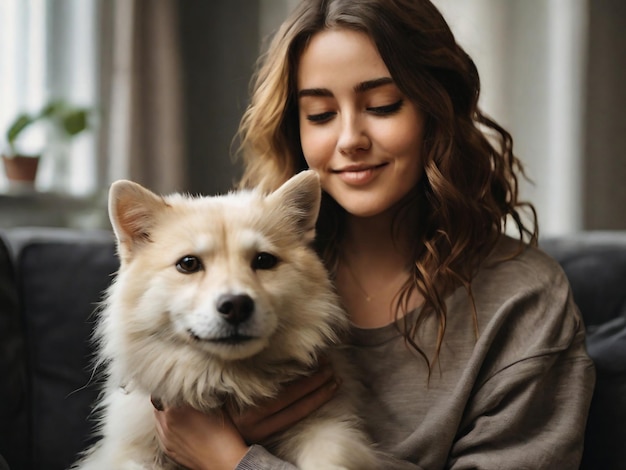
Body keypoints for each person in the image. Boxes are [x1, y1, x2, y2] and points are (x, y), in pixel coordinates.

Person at [153, 0, 595, 468]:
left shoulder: (524, 302)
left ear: (436, 108)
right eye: (320, 115)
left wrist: (230, 458)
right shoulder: (244, 274)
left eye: (382, 105)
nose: (349, 140)